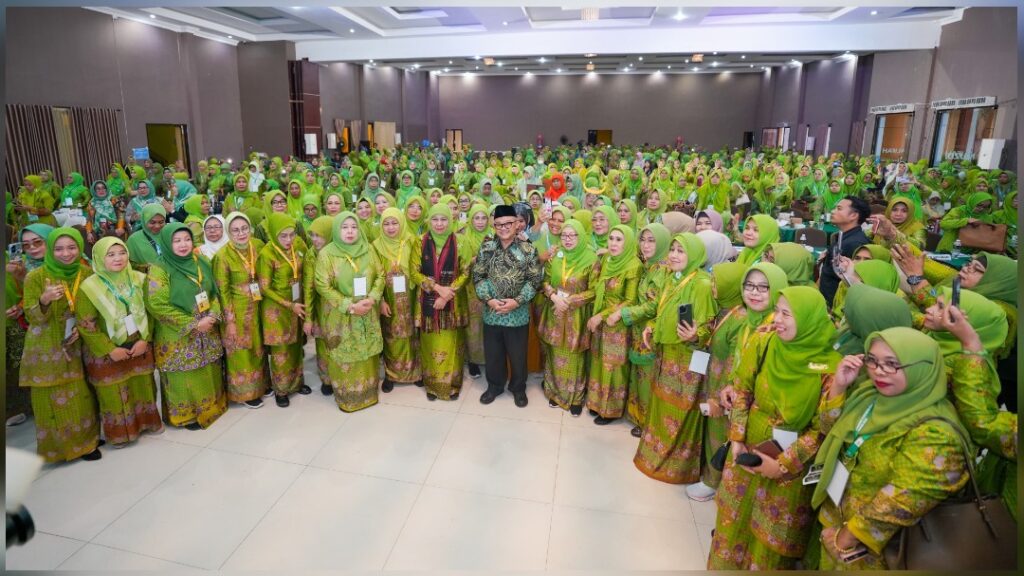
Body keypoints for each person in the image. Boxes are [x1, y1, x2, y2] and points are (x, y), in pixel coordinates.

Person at [812, 327, 970, 570]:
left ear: (922, 367)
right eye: (872, 360)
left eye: (892, 364)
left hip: (878, 550)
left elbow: (905, 498)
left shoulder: (936, 433)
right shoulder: (870, 395)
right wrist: (839, 388)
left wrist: (848, 536)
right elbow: (828, 428)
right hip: (837, 523)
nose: (878, 371)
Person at [709, 286, 843, 570]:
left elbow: (822, 431)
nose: (778, 319)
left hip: (789, 468)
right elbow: (743, 389)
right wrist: (736, 440)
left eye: (787, 313)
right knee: (731, 524)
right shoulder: (765, 342)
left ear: (808, 319)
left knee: (769, 542)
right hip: (746, 450)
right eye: (778, 311)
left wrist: (781, 466)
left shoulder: (832, 370)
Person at [634, 233, 717, 483]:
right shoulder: (673, 277)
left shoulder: (701, 283)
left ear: (694, 255)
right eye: (672, 249)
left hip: (687, 358)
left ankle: (678, 466)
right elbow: (664, 310)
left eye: (681, 251)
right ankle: (656, 453)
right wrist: (652, 325)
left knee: (682, 409)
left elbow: (708, 327)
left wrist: (695, 335)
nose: (673, 255)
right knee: (662, 402)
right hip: (667, 352)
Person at [19, 227, 102, 462]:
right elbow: (31, 315)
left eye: (72, 247)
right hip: (47, 345)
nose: (66, 253)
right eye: (59, 248)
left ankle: (87, 442)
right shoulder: (35, 277)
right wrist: (44, 300)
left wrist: (82, 326)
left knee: (82, 395)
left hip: (78, 340)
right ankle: (59, 449)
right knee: (54, 398)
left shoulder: (85, 273)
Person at [77, 237, 163, 445]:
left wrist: (145, 339)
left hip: (138, 344)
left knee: (143, 385)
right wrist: (109, 350)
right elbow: (86, 325)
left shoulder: (139, 279)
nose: (118, 258)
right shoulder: (89, 287)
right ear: (98, 258)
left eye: (122, 252)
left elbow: (151, 313)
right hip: (108, 350)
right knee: (114, 393)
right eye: (111, 254)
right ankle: (121, 435)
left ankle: (148, 423)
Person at [144, 223, 227, 430]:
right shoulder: (159, 269)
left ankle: (211, 407)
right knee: (184, 374)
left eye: (187, 239)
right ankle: (187, 415)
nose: (183, 245)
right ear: (166, 243)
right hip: (177, 334)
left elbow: (215, 291)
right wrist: (193, 324)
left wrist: (213, 315)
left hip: (207, 326)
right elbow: (157, 304)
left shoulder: (202, 261)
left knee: (207, 369)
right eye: (176, 240)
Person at [472, 204, 544, 407]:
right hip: (492, 312)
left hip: (517, 313)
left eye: (508, 224)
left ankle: (518, 388)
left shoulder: (528, 249)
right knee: (493, 353)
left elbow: (534, 280)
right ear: (494, 226)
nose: (503, 228)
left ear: (516, 225)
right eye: (498, 225)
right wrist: (489, 299)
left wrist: (517, 301)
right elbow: (478, 276)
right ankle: (494, 386)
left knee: (518, 354)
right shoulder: (487, 248)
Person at [314, 211, 385, 412]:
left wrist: (372, 298)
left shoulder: (368, 249)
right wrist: (350, 306)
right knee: (345, 354)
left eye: (353, 227)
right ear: (337, 230)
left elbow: (380, 275)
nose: (350, 231)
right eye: (344, 227)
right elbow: (322, 285)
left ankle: (368, 394)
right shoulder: (327, 254)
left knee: (366, 353)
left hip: (368, 310)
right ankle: (348, 398)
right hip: (341, 316)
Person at [613, 223, 671, 434]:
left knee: (647, 378)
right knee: (639, 375)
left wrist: (625, 313)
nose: (645, 245)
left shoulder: (662, 271)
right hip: (639, 329)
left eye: (652, 240)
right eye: (643, 240)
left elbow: (653, 305)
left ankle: (647, 423)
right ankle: (639, 416)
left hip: (649, 331)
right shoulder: (649, 265)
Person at [410, 204, 468, 401]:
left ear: (450, 220)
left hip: (452, 303)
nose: (439, 224)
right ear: (429, 221)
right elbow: (414, 272)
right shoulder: (420, 242)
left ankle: (452, 385)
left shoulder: (460, 241)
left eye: (443, 219)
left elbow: (466, 272)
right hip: (428, 302)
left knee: (452, 344)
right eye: (435, 219)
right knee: (430, 343)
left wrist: (446, 295)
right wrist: (437, 289)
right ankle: (432, 385)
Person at [585, 224, 642, 424]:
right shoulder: (608, 259)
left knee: (613, 367)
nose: (614, 243)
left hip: (617, 323)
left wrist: (604, 315)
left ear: (628, 243)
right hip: (600, 318)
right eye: (611, 239)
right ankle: (596, 403)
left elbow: (631, 300)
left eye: (619, 239)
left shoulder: (633, 265)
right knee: (599, 361)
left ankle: (610, 410)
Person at [212, 212, 270, 408]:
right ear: (228, 232)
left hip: (258, 306)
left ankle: (261, 384)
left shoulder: (258, 245)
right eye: (235, 230)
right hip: (237, 310)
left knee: (258, 347)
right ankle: (245, 392)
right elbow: (222, 291)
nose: (241, 233)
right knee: (241, 351)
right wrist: (229, 321)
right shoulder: (222, 256)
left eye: (244, 228)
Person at [539, 218, 596, 414]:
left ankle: (576, 399)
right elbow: (544, 280)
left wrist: (569, 301)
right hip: (555, 311)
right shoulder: (556, 256)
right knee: (554, 352)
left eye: (573, 235)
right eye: (564, 235)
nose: (568, 239)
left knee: (575, 355)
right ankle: (554, 392)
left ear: (581, 237)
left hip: (576, 314)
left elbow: (594, 291)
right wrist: (554, 296)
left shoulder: (591, 259)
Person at [257, 213, 310, 407]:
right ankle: (281, 390)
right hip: (277, 309)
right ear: (273, 234)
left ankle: (297, 383)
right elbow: (265, 287)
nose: (288, 240)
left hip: (297, 304)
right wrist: (289, 304)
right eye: (283, 236)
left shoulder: (298, 247)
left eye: (292, 234)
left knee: (296, 346)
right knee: (281, 350)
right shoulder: (267, 254)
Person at [372, 207, 422, 392]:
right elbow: (374, 275)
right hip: (388, 297)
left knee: (412, 334)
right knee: (390, 334)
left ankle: (415, 373)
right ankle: (391, 374)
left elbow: (418, 269)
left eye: (395, 223)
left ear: (401, 223)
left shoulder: (411, 241)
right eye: (386, 223)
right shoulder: (376, 246)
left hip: (409, 295)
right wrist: (380, 301)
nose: (391, 228)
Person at [303, 215, 337, 395]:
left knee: (340, 343)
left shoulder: (338, 250)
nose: (314, 240)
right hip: (321, 308)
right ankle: (327, 379)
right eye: (312, 235)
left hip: (340, 307)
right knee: (323, 344)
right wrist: (309, 318)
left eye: (319, 235)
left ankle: (341, 376)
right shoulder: (311, 254)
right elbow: (308, 288)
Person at [458, 203, 492, 377]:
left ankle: (490, 358)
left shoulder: (493, 235)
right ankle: (473, 360)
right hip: (471, 287)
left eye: (483, 217)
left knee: (490, 324)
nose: (480, 222)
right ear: (470, 219)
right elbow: (462, 264)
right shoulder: (464, 237)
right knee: (474, 325)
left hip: (492, 287)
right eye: (476, 218)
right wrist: (479, 255)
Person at [819, 196, 871, 307]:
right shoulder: (844, 236)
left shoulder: (855, 244)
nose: (833, 211)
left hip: (835, 303)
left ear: (853, 215)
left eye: (839, 208)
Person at [125, 204, 167, 273]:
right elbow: (128, 265)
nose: (157, 226)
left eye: (161, 222)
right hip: (148, 280)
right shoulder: (134, 240)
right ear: (144, 220)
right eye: (152, 222)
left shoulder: (171, 235)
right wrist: (144, 268)